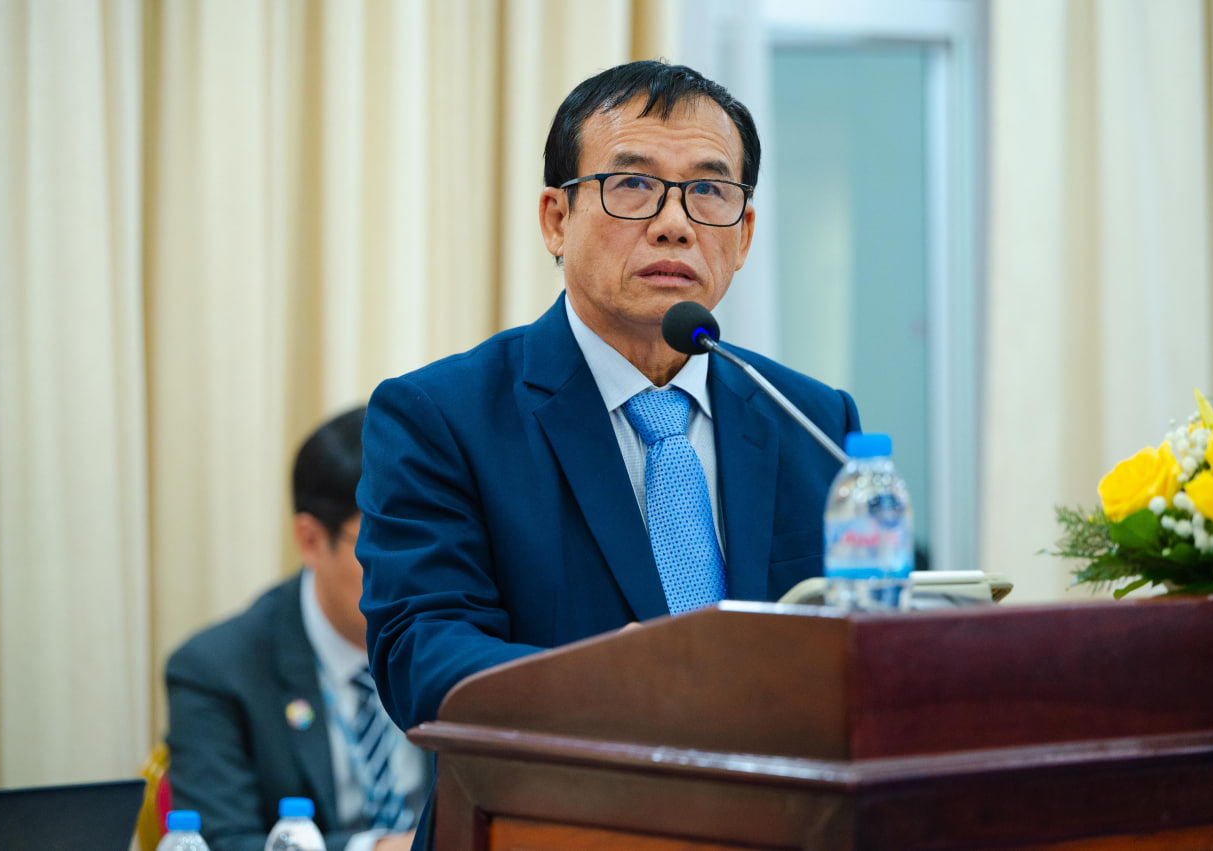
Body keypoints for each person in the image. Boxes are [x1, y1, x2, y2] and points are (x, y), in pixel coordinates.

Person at [358, 57, 859, 747]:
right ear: (556, 219)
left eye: (708, 191)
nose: (675, 224)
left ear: (743, 234)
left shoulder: (811, 420)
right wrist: (600, 683)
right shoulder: (442, 418)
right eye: (633, 184)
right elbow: (420, 654)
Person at [165, 406, 432, 851]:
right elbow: (221, 842)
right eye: (387, 542)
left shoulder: (464, 635)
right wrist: (381, 849)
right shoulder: (217, 670)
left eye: (427, 540)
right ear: (311, 540)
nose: (415, 568)